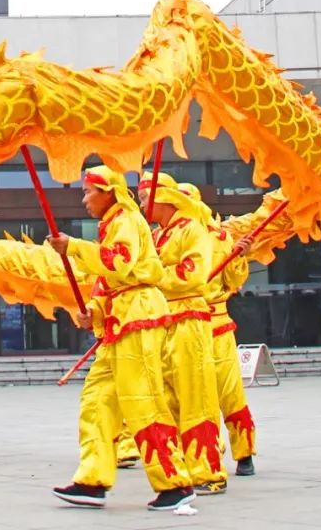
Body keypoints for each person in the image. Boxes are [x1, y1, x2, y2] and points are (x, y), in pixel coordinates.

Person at [47, 165, 196, 511]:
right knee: (97, 399)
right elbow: (109, 281)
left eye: (88, 192)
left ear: (109, 192)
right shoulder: (112, 224)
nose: (84, 200)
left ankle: (175, 482)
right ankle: (92, 479)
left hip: (139, 318)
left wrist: (72, 247)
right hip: (119, 321)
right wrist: (94, 311)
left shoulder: (127, 219)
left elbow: (119, 264)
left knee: (142, 401)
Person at [138, 172, 226, 496]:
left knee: (196, 396)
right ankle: (182, 468)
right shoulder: (157, 236)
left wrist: (153, 274)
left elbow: (193, 274)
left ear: (163, 197)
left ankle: (208, 470)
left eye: (145, 195)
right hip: (162, 321)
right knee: (169, 397)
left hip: (189, 318)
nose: (141, 202)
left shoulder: (191, 229)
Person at [181, 182, 257, 477]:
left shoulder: (220, 238)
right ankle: (205, 454)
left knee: (230, 391)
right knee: (195, 395)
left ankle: (244, 451)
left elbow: (233, 282)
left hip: (218, 324)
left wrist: (239, 256)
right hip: (185, 326)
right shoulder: (167, 239)